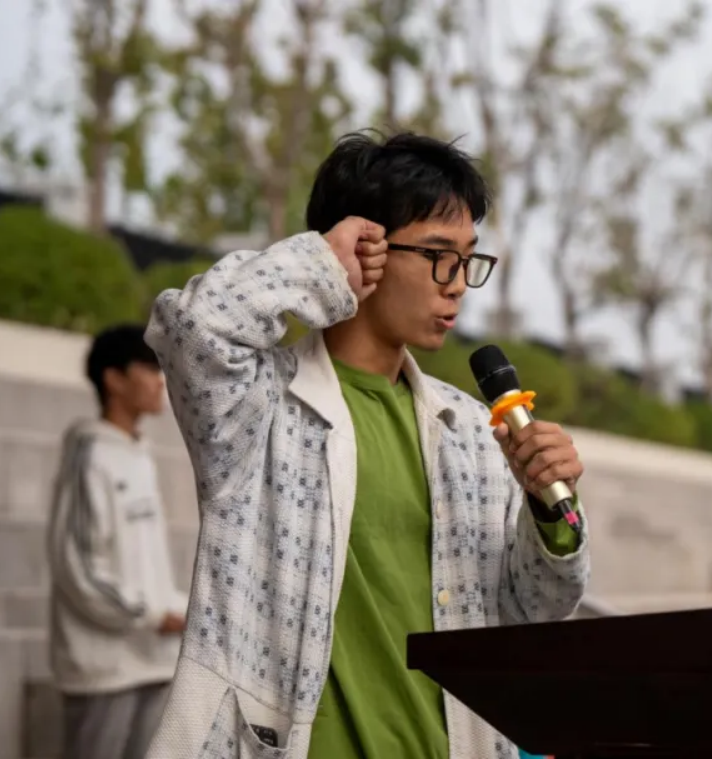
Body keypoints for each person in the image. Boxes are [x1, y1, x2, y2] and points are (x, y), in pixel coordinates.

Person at [142, 130, 591, 759]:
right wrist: (318, 263)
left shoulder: (471, 430)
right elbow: (191, 325)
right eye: (438, 255)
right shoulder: (259, 404)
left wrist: (548, 511)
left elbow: (533, 611)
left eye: (468, 259)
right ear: (365, 247)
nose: (457, 284)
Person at [45, 324, 190, 759]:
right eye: (149, 368)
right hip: (103, 669)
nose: (160, 380)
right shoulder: (90, 457)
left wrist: (179, 610)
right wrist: (152, 615)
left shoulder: (138, 455)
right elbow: (79, 568)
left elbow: (144, 565)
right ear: (114, 379)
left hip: (152, 660)